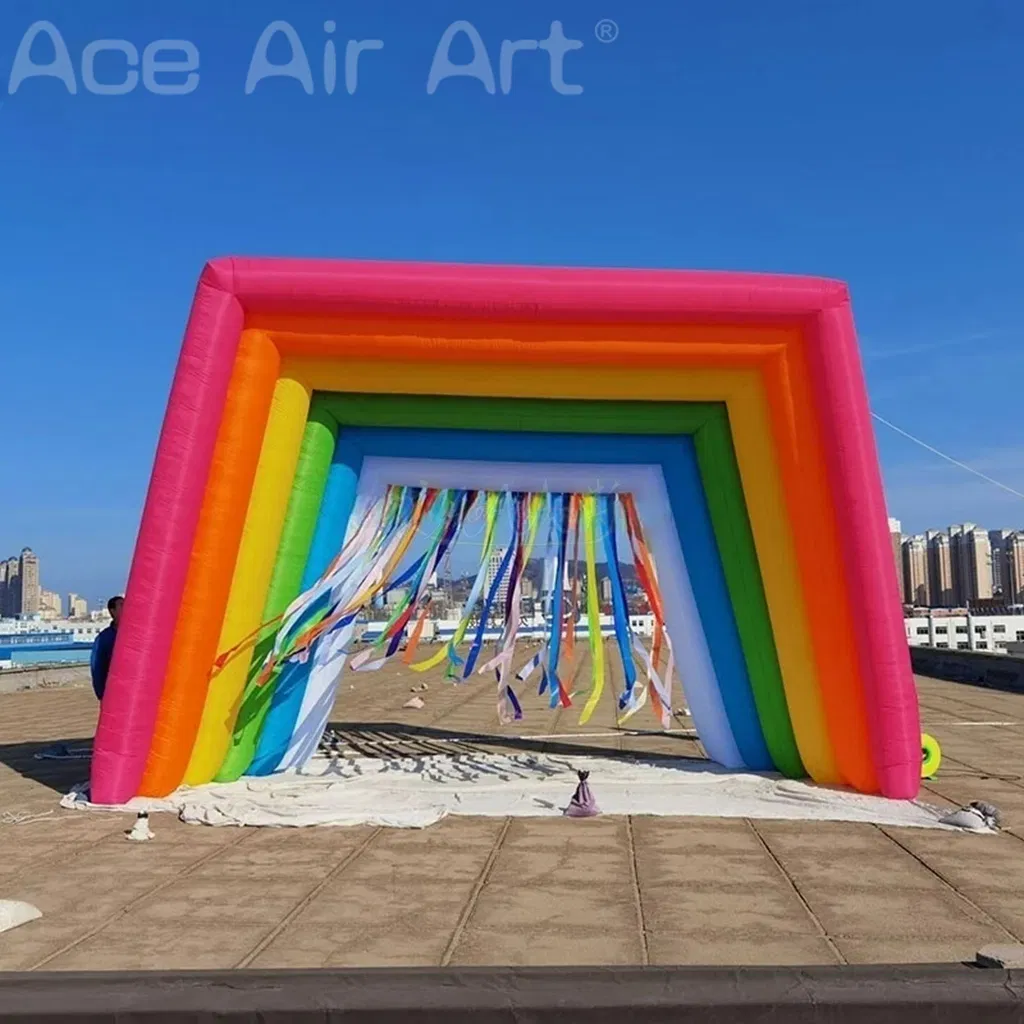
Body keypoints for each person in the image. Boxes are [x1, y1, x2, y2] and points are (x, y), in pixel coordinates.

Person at [90, 596, 123, 701]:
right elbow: (97, 667)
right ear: (112, 611)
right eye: (122, 605)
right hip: (114, 693)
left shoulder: (135, 635)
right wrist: (102, 695)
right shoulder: (104, 638)